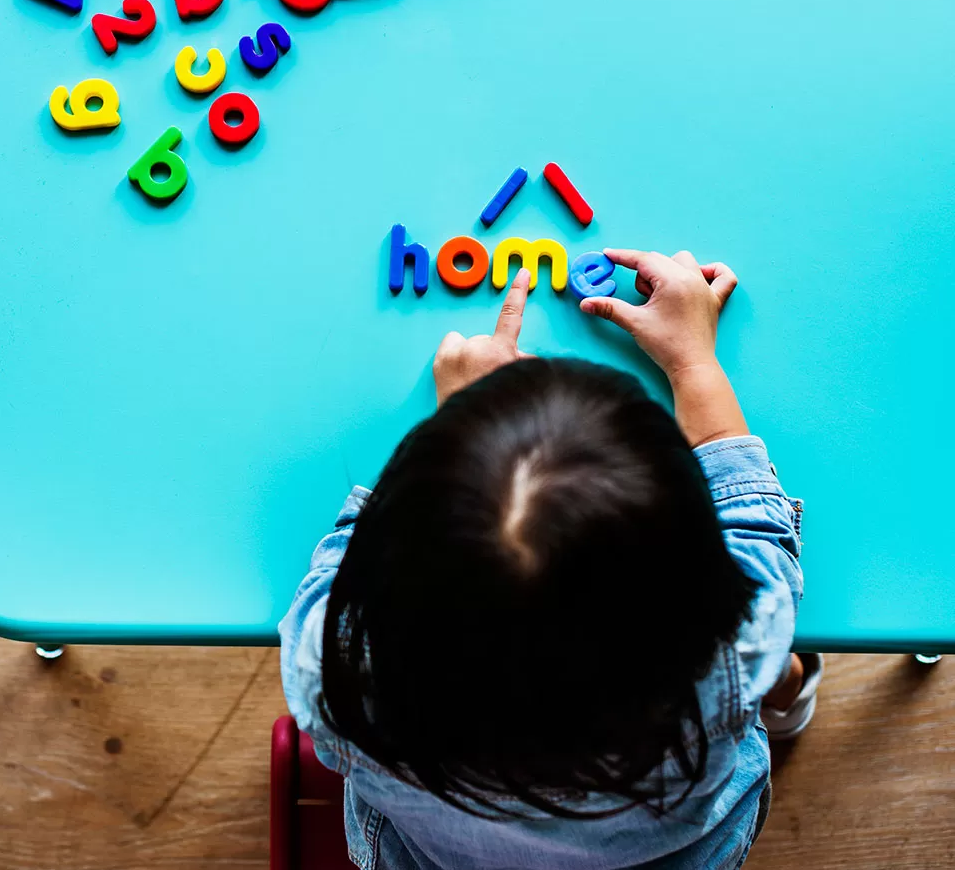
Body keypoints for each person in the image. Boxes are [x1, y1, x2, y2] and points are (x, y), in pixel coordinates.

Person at [280, 250, 821, 870]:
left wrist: (467, 421)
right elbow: (751, 524)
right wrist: (694, 362)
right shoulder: (724, 651)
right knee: (768, 663)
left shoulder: (344, 679)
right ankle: (787, 697)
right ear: (690, 570)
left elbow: (337, 575)